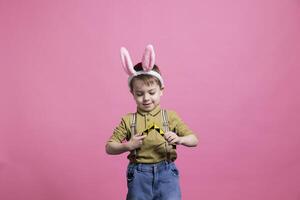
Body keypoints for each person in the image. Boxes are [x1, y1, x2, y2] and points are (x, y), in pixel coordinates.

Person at [105, 44, 198, 200]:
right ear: (132, 93)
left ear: (161, 90)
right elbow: (109, 147)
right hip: (138, 176)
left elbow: (194, 140)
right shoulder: (128, 120)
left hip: (167, 173)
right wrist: (127, 145)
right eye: (140, 94)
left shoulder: (170, 117)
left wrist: (180, 139)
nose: (146, 98)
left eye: (152, 92)